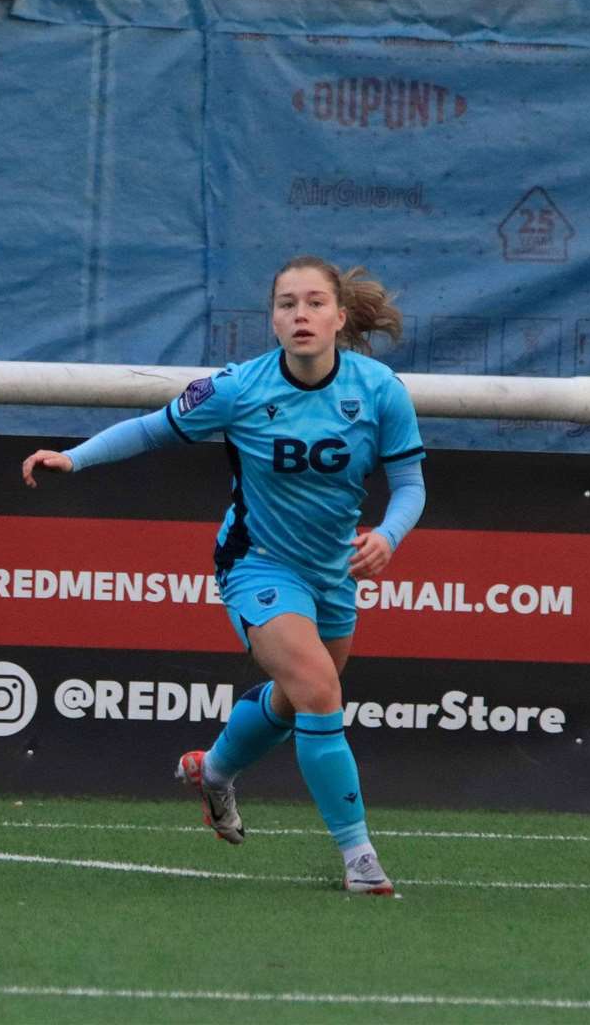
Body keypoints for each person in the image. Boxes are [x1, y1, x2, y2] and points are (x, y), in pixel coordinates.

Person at [21, 256, 425, 895]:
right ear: (272, 318)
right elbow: (152, 430)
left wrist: (389, 536)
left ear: (340, 316)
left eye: (315, 302)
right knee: (320, 690)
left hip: (334, 572)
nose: (301, 314)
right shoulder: (239, 388)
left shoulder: (379, 390)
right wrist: (74, 458)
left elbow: (409, 485)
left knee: (298, 702)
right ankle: (360, 858)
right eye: (287, 303)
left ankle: (212, 770)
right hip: (257, 564)